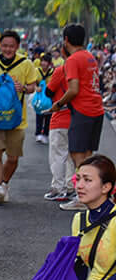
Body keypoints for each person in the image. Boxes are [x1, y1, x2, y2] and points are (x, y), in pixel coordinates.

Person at [0, 30, 39, 205]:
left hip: (16, 117)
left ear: (17, 46)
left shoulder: (26, 64)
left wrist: (23, 89)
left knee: (12, 158)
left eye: (11, 46)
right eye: (4, 46)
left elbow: (32, 87)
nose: (8, 49)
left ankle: (4, 183)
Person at [50, 24, 106, 211]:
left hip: (83, 111)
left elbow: (73, 89)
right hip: (97, 110)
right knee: (87, 155)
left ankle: (83, 198)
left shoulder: (73, 60)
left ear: (66, 40)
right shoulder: (90, 56)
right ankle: (89, 196)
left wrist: (58, 105)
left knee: (78, 157)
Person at [43, 57, 74, 202]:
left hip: (60, 118)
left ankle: (58, 189)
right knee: (71, 156)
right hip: (76, 119)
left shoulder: (61, 70)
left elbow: (49, 92)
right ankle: (71, 187)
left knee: (57, 156)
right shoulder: (82, 70)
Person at [34, 53, 55, 144]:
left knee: (48, 116)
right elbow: (32, 82)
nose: (43, 63)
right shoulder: (36, 71)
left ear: (49, 63)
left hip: (49, 96)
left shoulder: (53, 72)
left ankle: (45, 134)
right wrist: (36, 87)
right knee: (39, 114)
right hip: (39, 95)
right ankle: (38, 133)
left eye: (45, 61)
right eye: (42, 61)